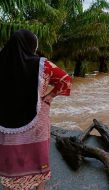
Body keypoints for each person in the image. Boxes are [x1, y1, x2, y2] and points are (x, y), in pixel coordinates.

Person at [0, 29, 72, 190]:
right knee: (38, 155)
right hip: (36, 117)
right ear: (31, 45)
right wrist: (51, 96)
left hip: (4, 120)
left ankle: (10, 186)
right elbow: (65, 80)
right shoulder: (43, 64)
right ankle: (39, 187)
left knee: (10, 156)